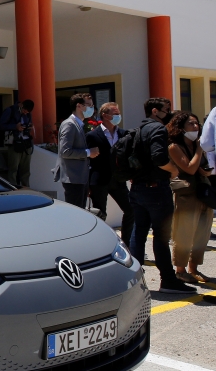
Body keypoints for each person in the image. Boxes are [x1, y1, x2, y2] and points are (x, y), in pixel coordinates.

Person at [128, 97, 193, 294]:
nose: (169, 113)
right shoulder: (157, 129)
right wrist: (172, 170)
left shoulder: (137, 129)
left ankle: (133, 280)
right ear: (155, 111)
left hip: (138, 189)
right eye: (166, 109)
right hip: (156, 190)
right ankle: (168, 280)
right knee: (161, 236)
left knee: (138, 233)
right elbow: (158, 156)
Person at [166, 111, 213, 285]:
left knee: (203, 233)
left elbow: (200, 168)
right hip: (186, 195)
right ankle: (180, 270)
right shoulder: (174, 147)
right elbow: (189, 168)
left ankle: (194, 268)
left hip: (204, 194)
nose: (196, 127)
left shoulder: (198, 145)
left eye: (196, 124)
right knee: (184, 233)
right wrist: (200, 149)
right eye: (191, 124)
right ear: (180, 127)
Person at [87, 102, 133, 245]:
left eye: (118, 113)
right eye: (115, 113)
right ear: (105, 115)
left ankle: (126, 242)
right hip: (100, 179)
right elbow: (88, 162)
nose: (118, 116)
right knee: (100, 214)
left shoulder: (124, 134)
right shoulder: (93, 135)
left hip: (118, 180)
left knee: (130, 210)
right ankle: (101, 244)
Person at [54, 93, 99, 207]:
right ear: (79, 106)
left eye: (92, 105)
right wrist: (89, 153)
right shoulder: (70, 125)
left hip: (79, 178)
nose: (91, 108)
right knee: (76, 212)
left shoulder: (78, 124)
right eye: (88, 105)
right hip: (73, 178)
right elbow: (65, 152)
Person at [0, 99, 35, 187]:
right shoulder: (10, 110)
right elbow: (1, 126)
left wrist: (29, 127)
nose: (26, 113)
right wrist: (15, 127)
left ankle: (26, 188)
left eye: (28, 112)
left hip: (26, 143)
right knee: (13, 169)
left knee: (26, 170)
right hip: (14, 143)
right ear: (21, 105)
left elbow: (28, 122)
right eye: (24, 111)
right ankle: (13, 188)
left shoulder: (28, 113)